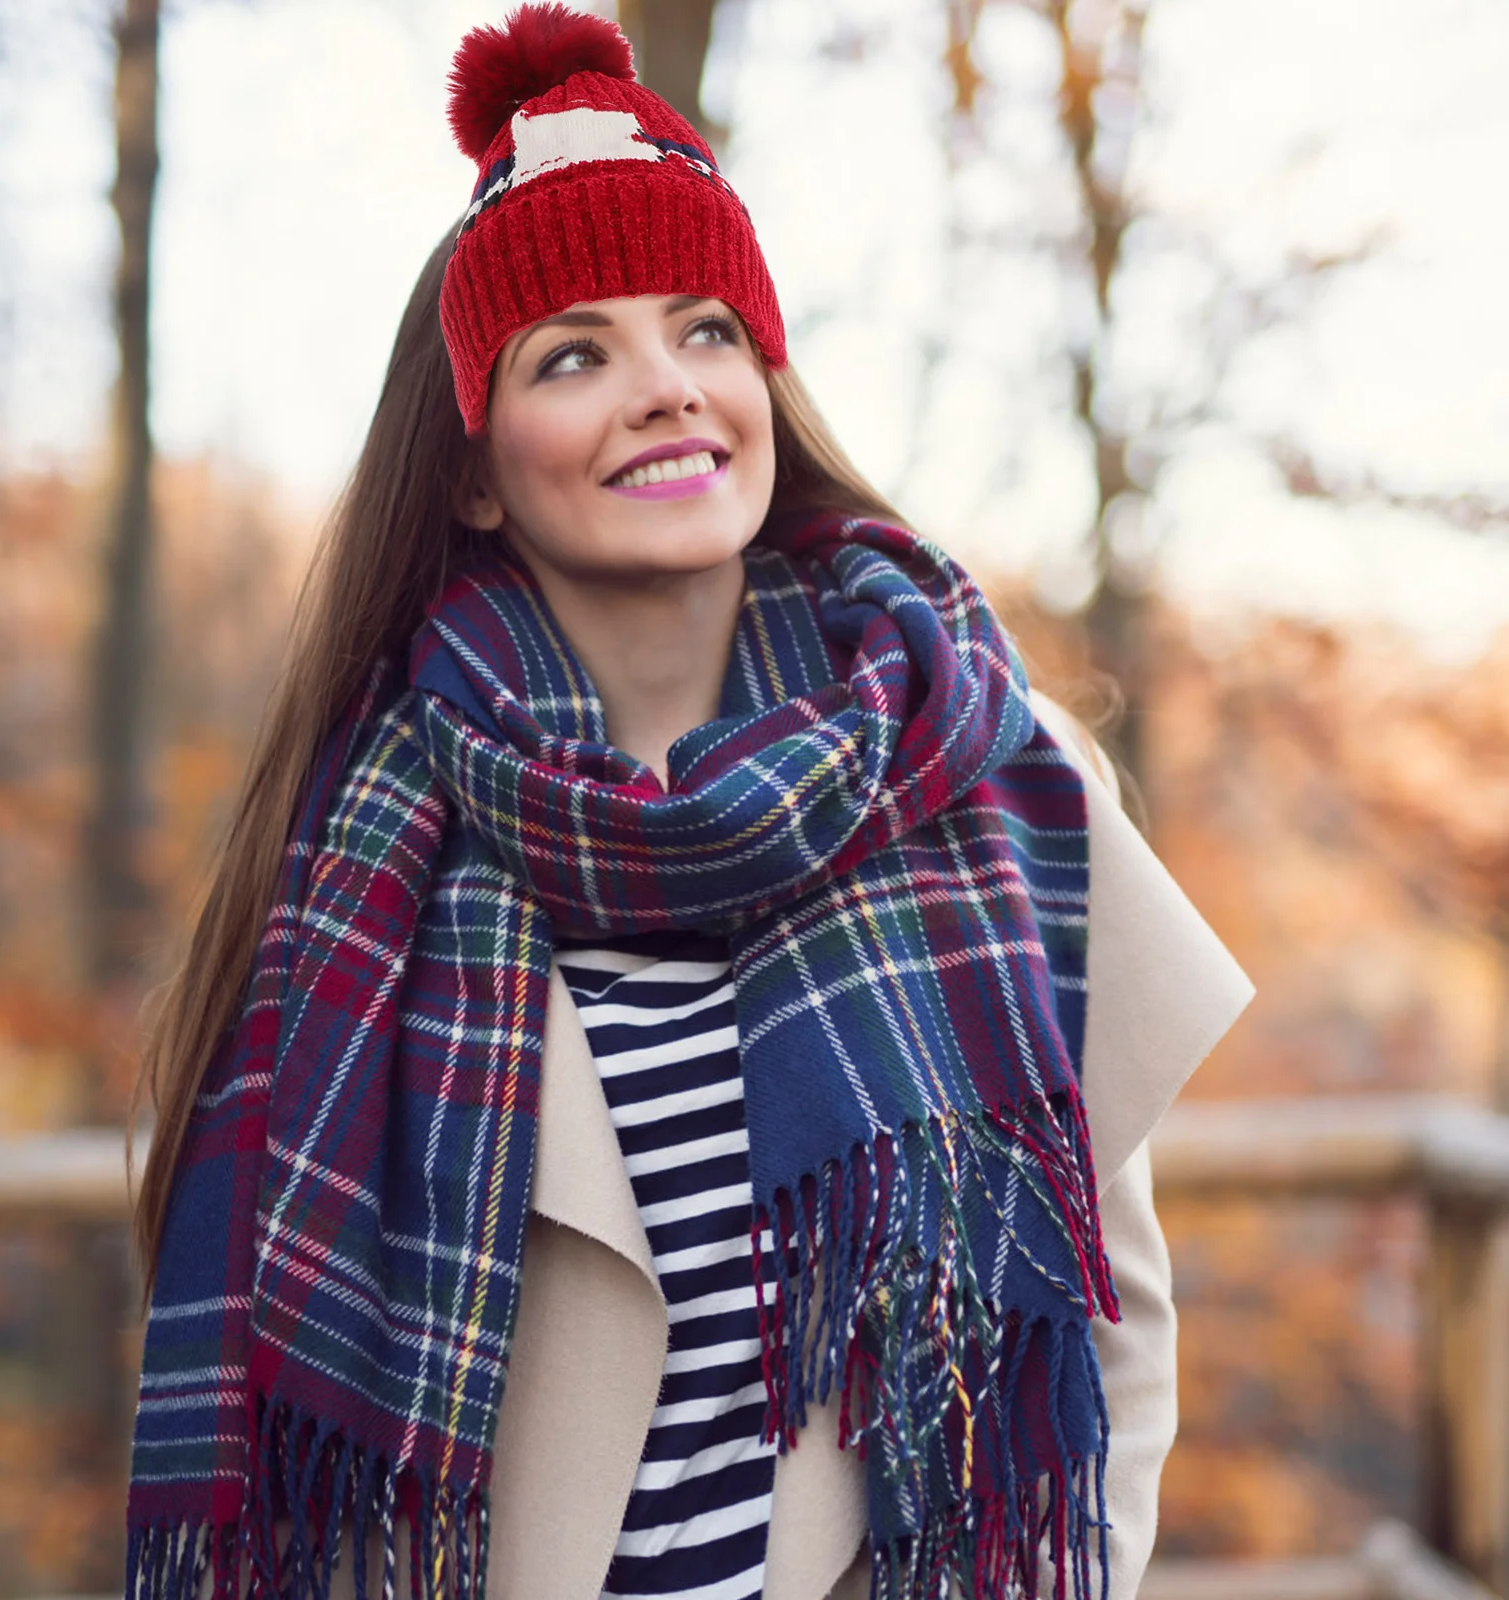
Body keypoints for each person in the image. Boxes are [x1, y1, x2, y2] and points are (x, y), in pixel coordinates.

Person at [126, 6, 1252, 1599]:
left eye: (707, 329)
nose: (664, 388)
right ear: (473, 469)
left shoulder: (985, 767)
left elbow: (1109, 1329)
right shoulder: (364, 852)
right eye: (575, 353)